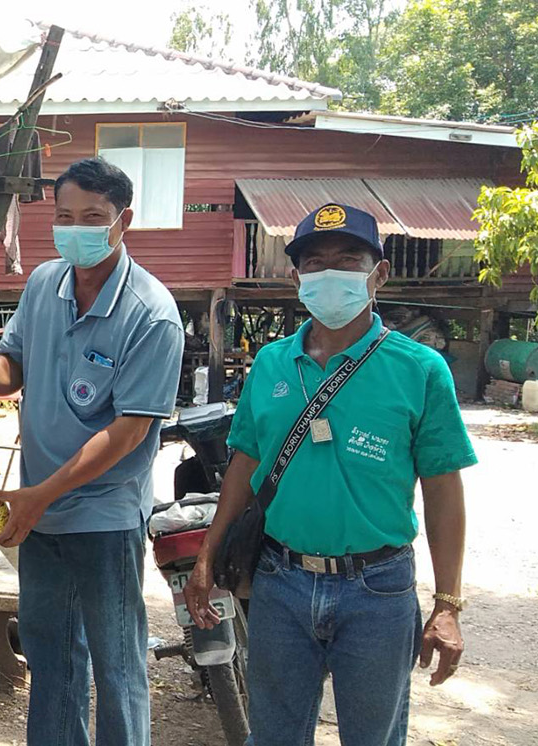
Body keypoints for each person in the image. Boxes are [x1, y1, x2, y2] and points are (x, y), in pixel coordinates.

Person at [183, 203, 471, 746]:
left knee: (373, 737)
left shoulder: (420, 370)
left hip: (377, 589)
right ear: (297, 278)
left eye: (348, 260)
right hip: (280, 581)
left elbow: (443, 489)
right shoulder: (271, 364)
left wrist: (448, 604)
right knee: (273, 735)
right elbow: (245, 463)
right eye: (315, 263)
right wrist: (206, 556)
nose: (330, 273)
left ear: (378, 274)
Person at [0, 157, 183, 746]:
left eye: (93, 217)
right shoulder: (45, 284)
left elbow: (128, 432)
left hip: (103, 516)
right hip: (39, 515)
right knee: (51, 660)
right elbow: (13, 368)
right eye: (65, 216)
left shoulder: (152, 315)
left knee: (117, 665)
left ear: (123, 221)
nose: (76, 229)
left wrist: (39, 495)